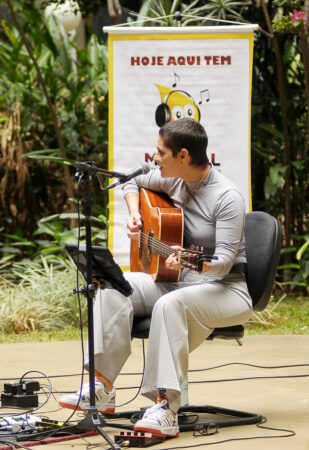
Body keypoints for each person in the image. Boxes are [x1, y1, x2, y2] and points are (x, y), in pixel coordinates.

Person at [58, 118, 253, 437]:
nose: (154, 158)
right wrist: (136, 214)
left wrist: (193, 260)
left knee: (170, 305)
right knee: (115, 283)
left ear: (183, 156)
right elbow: (130, 182)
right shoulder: (176, 181)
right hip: (181, 280)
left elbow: (222, 264)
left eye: (161, 152)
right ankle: (101, 387)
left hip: (227, 287)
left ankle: (167, 406)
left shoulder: (227, 196)